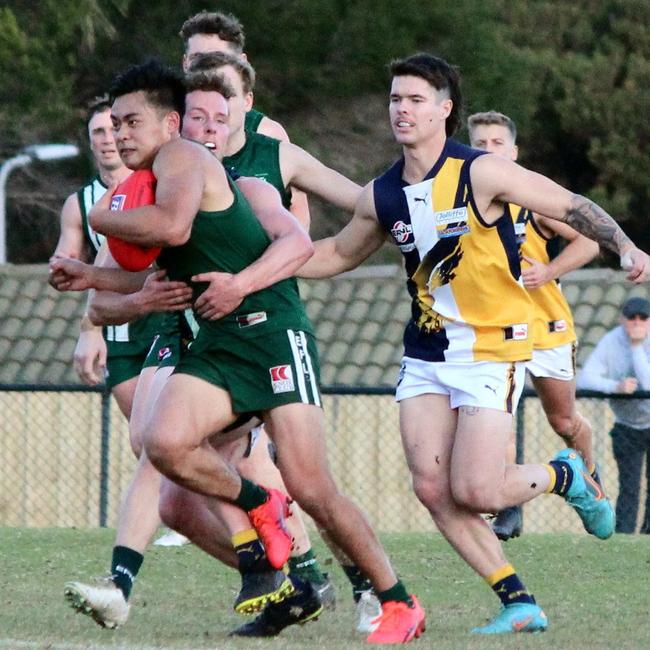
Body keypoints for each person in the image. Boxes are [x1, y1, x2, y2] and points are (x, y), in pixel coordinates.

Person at [66, 59, 424, 645]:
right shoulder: (147, 192)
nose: (121, 135)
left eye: (132, 122)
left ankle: (396, 599)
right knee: (163, 447)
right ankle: (264, 526)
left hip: (272, 334)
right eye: (114, 124)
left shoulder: (200, 171)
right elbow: (122, 296)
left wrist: (100, 215)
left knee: (312, 487)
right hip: (215, 344)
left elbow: (195, 232)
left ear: (171, 124)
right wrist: (90, 275)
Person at [298, 52, 649, 634]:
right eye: (394, 99)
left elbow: (569, 205)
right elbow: (334, 253)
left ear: (444, 109)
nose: (401, 110)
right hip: (426, 353)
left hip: (493, 347)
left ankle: (565, 474)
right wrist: (257, 269)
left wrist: (627, 245)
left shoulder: (480, 172)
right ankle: (518, 601)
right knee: (433, 487)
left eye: (415, 100)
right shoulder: (382, 194)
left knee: (478, 487)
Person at [467, 110, 601, 540]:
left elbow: (588, 242)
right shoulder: (459, 200)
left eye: (496, 144)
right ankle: (509, 511)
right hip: (494, 330)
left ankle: (590, 479)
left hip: (545, 327)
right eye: (480, 144)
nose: (488, 151)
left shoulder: (532, 200)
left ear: (514, 152)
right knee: (500, 417)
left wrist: (548, 270)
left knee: (563, 421)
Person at [51, 98, 174, 420]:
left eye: (113, 128)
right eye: (98, 132)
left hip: (163, 314)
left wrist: (88, 327)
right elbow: (70, 257)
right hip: (120, 328)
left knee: (167, 437)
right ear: (90, 141)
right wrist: (61, 267)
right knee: (143, 443)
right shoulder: (79, 204)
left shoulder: (159, 183)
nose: (108, 138)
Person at [179, 9, 310, 226]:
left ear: (241, 62)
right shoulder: (168, 126)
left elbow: (298, 211)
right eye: (198, 59)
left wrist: (284, 256)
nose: (208, 69)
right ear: (185, 63)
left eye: (218, 58)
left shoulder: (267, 133)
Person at [578, 296, 650, 534]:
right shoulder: (611, 341)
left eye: (643, 318)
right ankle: (625, 535)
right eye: (632, 318)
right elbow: (586, 378)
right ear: (622, 319)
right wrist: (615, 386)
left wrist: (637, 347)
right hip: (627, 426)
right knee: (629, 486)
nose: (637, 323)